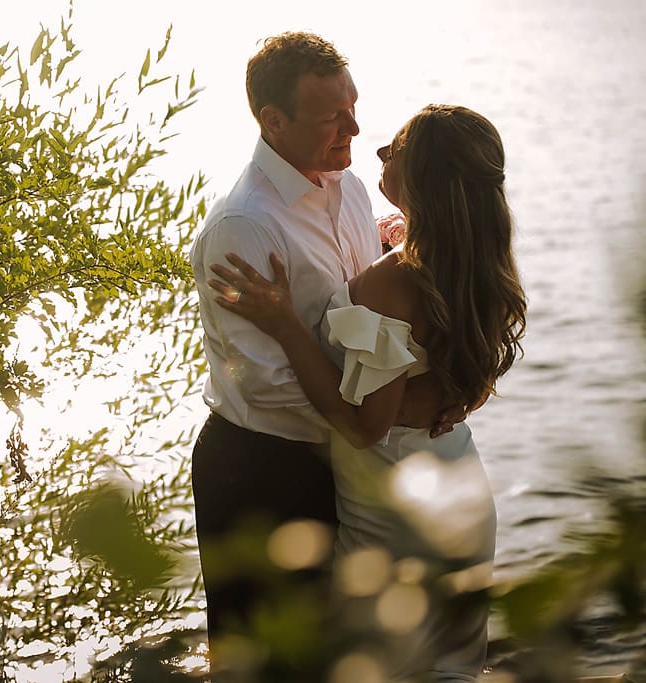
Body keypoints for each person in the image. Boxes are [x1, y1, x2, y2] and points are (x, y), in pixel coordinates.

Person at [208, 104, 527, 681]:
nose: (378, 152)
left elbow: (364, 426)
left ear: (422, 176)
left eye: (395, 149)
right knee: (451, 661)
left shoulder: (394, 281)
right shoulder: (476, 263)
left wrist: (284, 322)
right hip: (457, 475)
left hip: (395, 496)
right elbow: (471, 387)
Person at [188, 31, 384, 680]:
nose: (354, 128)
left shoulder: (352, 190)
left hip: (343, 458)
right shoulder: (245, 225)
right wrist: (380, 414)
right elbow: (266, 383)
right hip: (262, 470)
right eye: (333, 117)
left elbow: (368, 320)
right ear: (273, 121)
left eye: (353, 107)